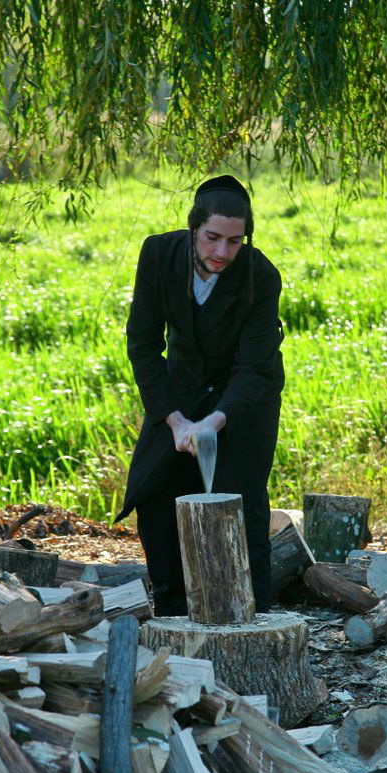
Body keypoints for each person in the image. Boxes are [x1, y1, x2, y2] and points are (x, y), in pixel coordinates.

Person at [115, 175, 284, 616]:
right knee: (155, 492)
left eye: (235, 241)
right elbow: (144, 344)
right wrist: (175, 421)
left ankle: (252, 617)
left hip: (246, 398)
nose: (222, 253)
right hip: (181, 388)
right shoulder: (158, 254)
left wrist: (214, 423)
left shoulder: (260, 276)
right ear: (193, 227)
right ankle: (172, 611)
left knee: (239, 504)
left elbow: (254, 368)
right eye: (212, 238)